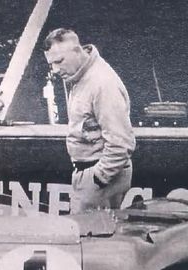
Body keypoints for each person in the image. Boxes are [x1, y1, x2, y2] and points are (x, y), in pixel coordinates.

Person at [43, 28, 135, 213]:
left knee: (87, 231)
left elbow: (121, 143)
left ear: (78, 51)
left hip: (101, 178)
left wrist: (98, 178)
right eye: (51, 64)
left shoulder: (101, 83)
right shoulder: (81, 77)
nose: (55, 70)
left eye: (59, 61)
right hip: (94, 174)